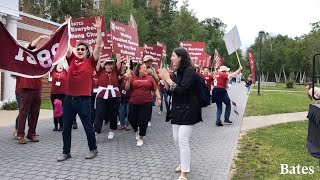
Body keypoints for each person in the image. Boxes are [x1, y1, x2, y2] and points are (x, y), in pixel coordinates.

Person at [57, 16, 102, 161]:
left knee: (88, 126)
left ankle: (93, 149)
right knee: (66, 128)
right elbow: (67, 44)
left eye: (83, 49)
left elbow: (98, 46)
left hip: (83, 100)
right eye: (79, 49)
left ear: (86, 51)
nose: (81, 50)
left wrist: (98, 29)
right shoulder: (71, 60)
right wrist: (67, 24)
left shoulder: (90, 62)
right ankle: (66, 152)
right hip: (69, 99)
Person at [158, 47, 202, 180]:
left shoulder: (190, 72)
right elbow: (173, 92)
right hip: (177, 110)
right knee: (177, 140)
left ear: (180, 57)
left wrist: (169, 79)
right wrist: (166, 82)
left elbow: (183, 91)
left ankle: (184, 172)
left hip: (189, 111)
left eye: (173, 56)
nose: (171, 58)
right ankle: (184, 162)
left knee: (183, 140)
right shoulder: (177, 72)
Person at [16, 35, 48, 144]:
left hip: (37, 86)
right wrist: (40, 37)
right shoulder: (28, 52)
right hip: (26, 86)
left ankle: (32, 133)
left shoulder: (43, 56)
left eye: (42, 44)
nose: (41, 45)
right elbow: (30, 45)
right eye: (40, 43)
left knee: (35, 112)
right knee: (23, 111)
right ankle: (20, 134)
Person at [125, 62, 161, 147]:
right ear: (139, 69)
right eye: (144, 67)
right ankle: (136, 130)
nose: (146, 68)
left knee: (143, 121)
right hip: (133, 102)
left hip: (146, 103)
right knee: (131, 118)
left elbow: (155, 89)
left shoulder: (150, 78)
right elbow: (127, 88)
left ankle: (141, 137)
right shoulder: (133, 77)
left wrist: (159, 98)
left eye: (146, 67)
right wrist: (128, 80)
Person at [94, 54, 121, 140]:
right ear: (104, 65)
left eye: (111, 64)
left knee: (113, 114)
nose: (109, 65)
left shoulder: (115, 71)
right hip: (102, 96)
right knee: (99, 114)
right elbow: (97, 64)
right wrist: (100, 52)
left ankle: (111, 130)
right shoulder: (100, 71)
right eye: (108, 64)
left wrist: (118, 54)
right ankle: (96, 131)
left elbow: (119, 62)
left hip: (114, 96)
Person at [50, 63, 68, 131]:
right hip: (54, 94)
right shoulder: (53, 72)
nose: (60, 66)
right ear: (55, 67)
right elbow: (50, 66)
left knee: (61, 110)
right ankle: (55, 125)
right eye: (58, 65)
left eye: (61, 65)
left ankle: (61, 125)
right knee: (55, 110)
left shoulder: (65, 72)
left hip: (63, 94)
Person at [143, 55, 159, 127]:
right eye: (148, 61)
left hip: (150, 91)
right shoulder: (140, 67)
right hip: (141, 89)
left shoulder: (153, 69)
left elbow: (157, 79)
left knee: (149, 106)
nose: (149, 62)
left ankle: (148, 119)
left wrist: (151, 73)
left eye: (151, 61)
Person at [119, 61, 131, 130]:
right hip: (122, 98)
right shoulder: (122, 78)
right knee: (122, 111)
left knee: (128, 111)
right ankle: (122, 124)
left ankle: (127, 125)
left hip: (129, 98)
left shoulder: (131, 78)